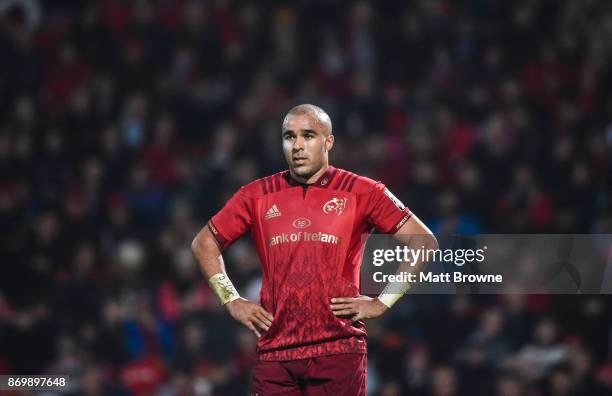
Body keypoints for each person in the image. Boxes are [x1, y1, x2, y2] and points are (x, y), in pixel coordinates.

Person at [192, 104, 436, 395]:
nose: (297, 145)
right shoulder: (256, 194)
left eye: (308, 135)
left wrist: (382, 302)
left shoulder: (363, 190)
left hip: (338, 350)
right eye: (289, 136)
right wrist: (230, 299)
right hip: (275, 353)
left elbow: (423, 242)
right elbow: (204, 242)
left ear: (328, 141)